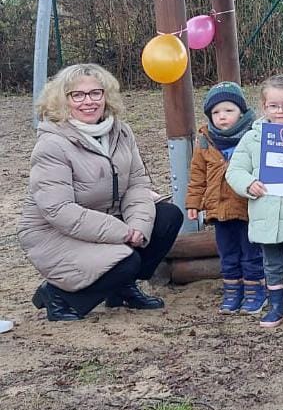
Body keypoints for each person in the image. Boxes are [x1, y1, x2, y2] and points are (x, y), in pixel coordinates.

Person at [18, 64, 183, 321]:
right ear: (63, 100)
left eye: (96, 93)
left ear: (106, 96)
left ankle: (122, 288)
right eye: (78, 95)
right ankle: (57, 295)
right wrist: (123, 233)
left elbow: (137, 185)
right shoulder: (52, 144)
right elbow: (58, 210)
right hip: (54, 231)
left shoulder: (121, 131)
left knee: (168, 217)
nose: (89, 101)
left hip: (104, 218)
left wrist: (138, 226)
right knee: (127, 260)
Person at [226, 74, 283, 328]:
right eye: (274, 106)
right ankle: (276, 306)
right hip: (264, 217)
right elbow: (235, 171)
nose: (280, 111)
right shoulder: (252, 138)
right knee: (272, 264)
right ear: (264, 107)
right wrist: (248, 184)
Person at [186, 82, 265, 315]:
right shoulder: (205, 141)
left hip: (247, 207)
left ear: (241, 111)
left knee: (251, 251)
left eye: (228, 111)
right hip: (218, 208)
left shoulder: (252, 136)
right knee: (227, 252)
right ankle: (232, 289)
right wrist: (194, 202)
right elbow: (197, 174)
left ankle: (255, 290)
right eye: (216, 112)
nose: (222, 117)